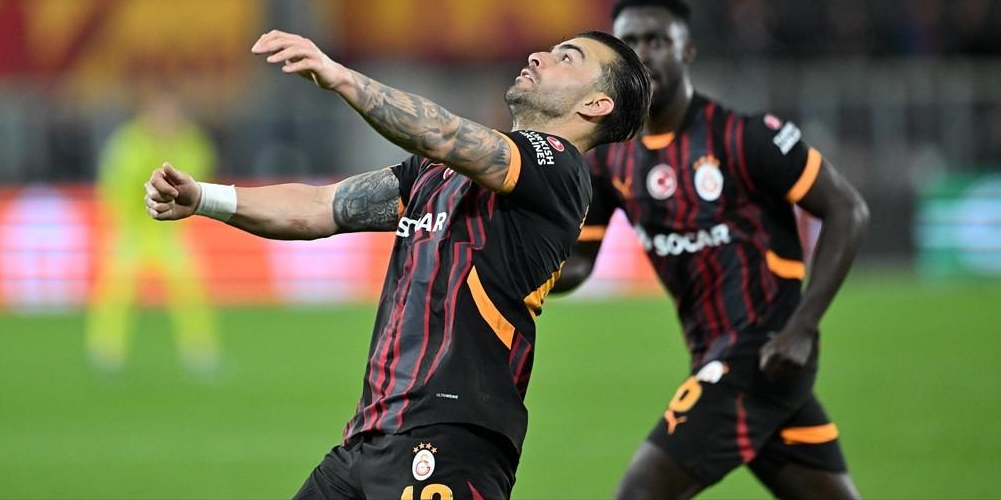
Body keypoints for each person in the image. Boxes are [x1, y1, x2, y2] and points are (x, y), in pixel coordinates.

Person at [145, 28, 651, 500]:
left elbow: (442, 133)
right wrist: (204, 198)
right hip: (369, 437)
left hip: (452, 439)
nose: (539, 56)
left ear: (596, 104)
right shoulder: (439, 172)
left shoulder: (559, 167)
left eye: (567, 58)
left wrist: (340, 77)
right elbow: (322, 207)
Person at [553, 0, 869, 500]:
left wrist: (803, 327)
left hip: (761, 352)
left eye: (658, 40)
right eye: (631, 43)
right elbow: (577, 264)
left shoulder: (746, 138)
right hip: (719, 359)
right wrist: (510, 269)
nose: (644, 54)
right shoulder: (611, 160)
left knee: (639, 494)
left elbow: (848, 210)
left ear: (687, 50)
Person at [87, 85, 220, 373]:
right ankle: (107, 350)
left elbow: (200, 177)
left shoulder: (189, 142)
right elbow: (115, 185)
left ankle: (199, 350)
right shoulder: (129, 143)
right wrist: (120, 222)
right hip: (134, 228)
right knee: (116, 290)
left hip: (168, 231)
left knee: (190, 288)